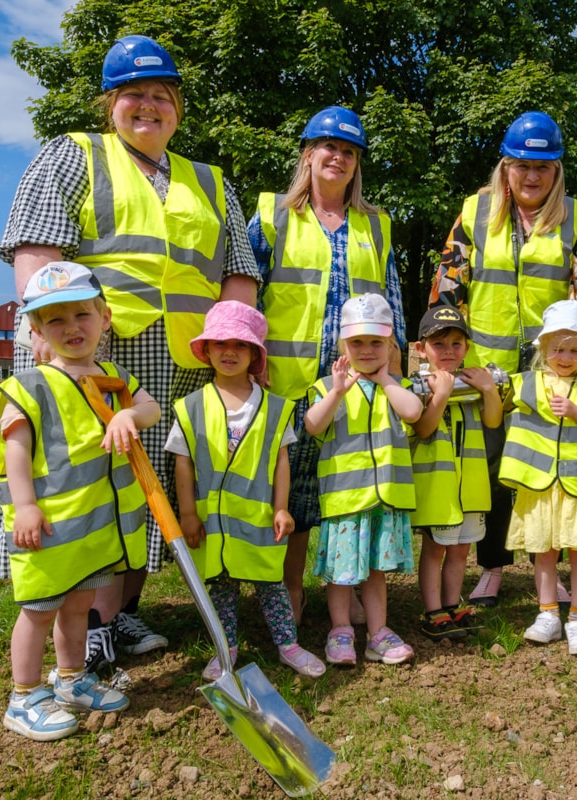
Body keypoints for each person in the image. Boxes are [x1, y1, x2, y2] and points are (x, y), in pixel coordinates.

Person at [0, 34, 260, 675]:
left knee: (149, 490)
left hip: (181, 361)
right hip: (89, 355)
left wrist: (235, 343)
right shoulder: (71, 156)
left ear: (178, 107)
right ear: (111, 103)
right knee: (84, 487)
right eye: (134, 94)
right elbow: (37, 257)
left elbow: (238, 275)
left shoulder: (211, 182)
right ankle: (74, 625)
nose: (149, 106)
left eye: (163, 95)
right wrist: (51, 349)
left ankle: (116, 613)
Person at [429, 110, 577, 607]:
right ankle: (491, 567)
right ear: (505, 166)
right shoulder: (475, 211)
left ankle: (545, 570)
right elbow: (447, 284)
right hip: (484, 367)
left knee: (542, 467)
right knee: (488, 470)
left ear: (557, 171)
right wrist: (441, 350)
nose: (532, 176)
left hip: (551, 370)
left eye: (544, 166)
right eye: (522, 165)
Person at [250, 105, 407, 627]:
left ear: (356, 162)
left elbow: (393, 299)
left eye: (348, 151)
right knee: (291, 492)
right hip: (292, 381)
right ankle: (289, 591)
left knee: (356, 486)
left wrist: (396, 360)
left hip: (360, 379)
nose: (337, 157)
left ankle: (358, 588)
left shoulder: (375, 225)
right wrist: (250, 352)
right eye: (328, 148)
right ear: (308, 154)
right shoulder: (273, 215)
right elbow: (247, 286)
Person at [0, 262, 158, 741]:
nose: (71, 328)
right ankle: (23, 696)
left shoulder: (113, 376)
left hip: (94, 531)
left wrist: (130, 417)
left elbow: (149, 406)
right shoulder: (30, 387)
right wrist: (25, 506)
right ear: (38, 330)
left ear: (104, 317)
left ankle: (71, 679)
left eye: (81, 315)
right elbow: (16, 452)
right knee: (39, 611)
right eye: (55, 320)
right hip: (47, 529)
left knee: (79, 606)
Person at [167, 301, 325, 679]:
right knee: (221, 589)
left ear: (255, 353)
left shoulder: (275, 408)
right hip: (214, 526)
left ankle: (289, 644)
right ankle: (226, 649)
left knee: (272, 584)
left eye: (240, 344)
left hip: (259, 522)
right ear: (206, 351)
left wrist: (282, 508)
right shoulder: (190, 408)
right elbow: (183, 462)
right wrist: (187, 513)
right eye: (220, 343)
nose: (229, 351)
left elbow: (281, 461)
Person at [302, 294, 419, 666]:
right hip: (344, 501)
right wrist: (338, 390)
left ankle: (378, 634)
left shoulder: (398, 386)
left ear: (390, 345)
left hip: (384, 499)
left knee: (374, 572)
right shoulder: (327, 388)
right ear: (343, 346)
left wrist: (386, 380)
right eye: (357, 342)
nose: (366, 350)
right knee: (340, 573)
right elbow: (312, 425)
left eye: (376, 342)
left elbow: (414, 413)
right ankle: (340, 631)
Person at [498, 300, 577, 655]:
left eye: (574, 350)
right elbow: (493, 405)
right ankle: (548, 615)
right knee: (544, 554)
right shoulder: (525, 383)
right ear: (544, 350)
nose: (565, 357)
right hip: (538, 487)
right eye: (558, 349)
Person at [410, 305, 504, 641]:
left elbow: (493, 421)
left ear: (466, 347)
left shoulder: (472, 383)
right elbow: (422, 430)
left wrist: (490, 389)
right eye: (439, 344)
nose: (448, 351)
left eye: (456, 344)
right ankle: (433, 609)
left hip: (470, 488)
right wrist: (440, 396)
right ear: (422, 349)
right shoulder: (418, 385)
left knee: (462, 550)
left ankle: (453, 604)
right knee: (435, 550)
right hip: (438, 490)